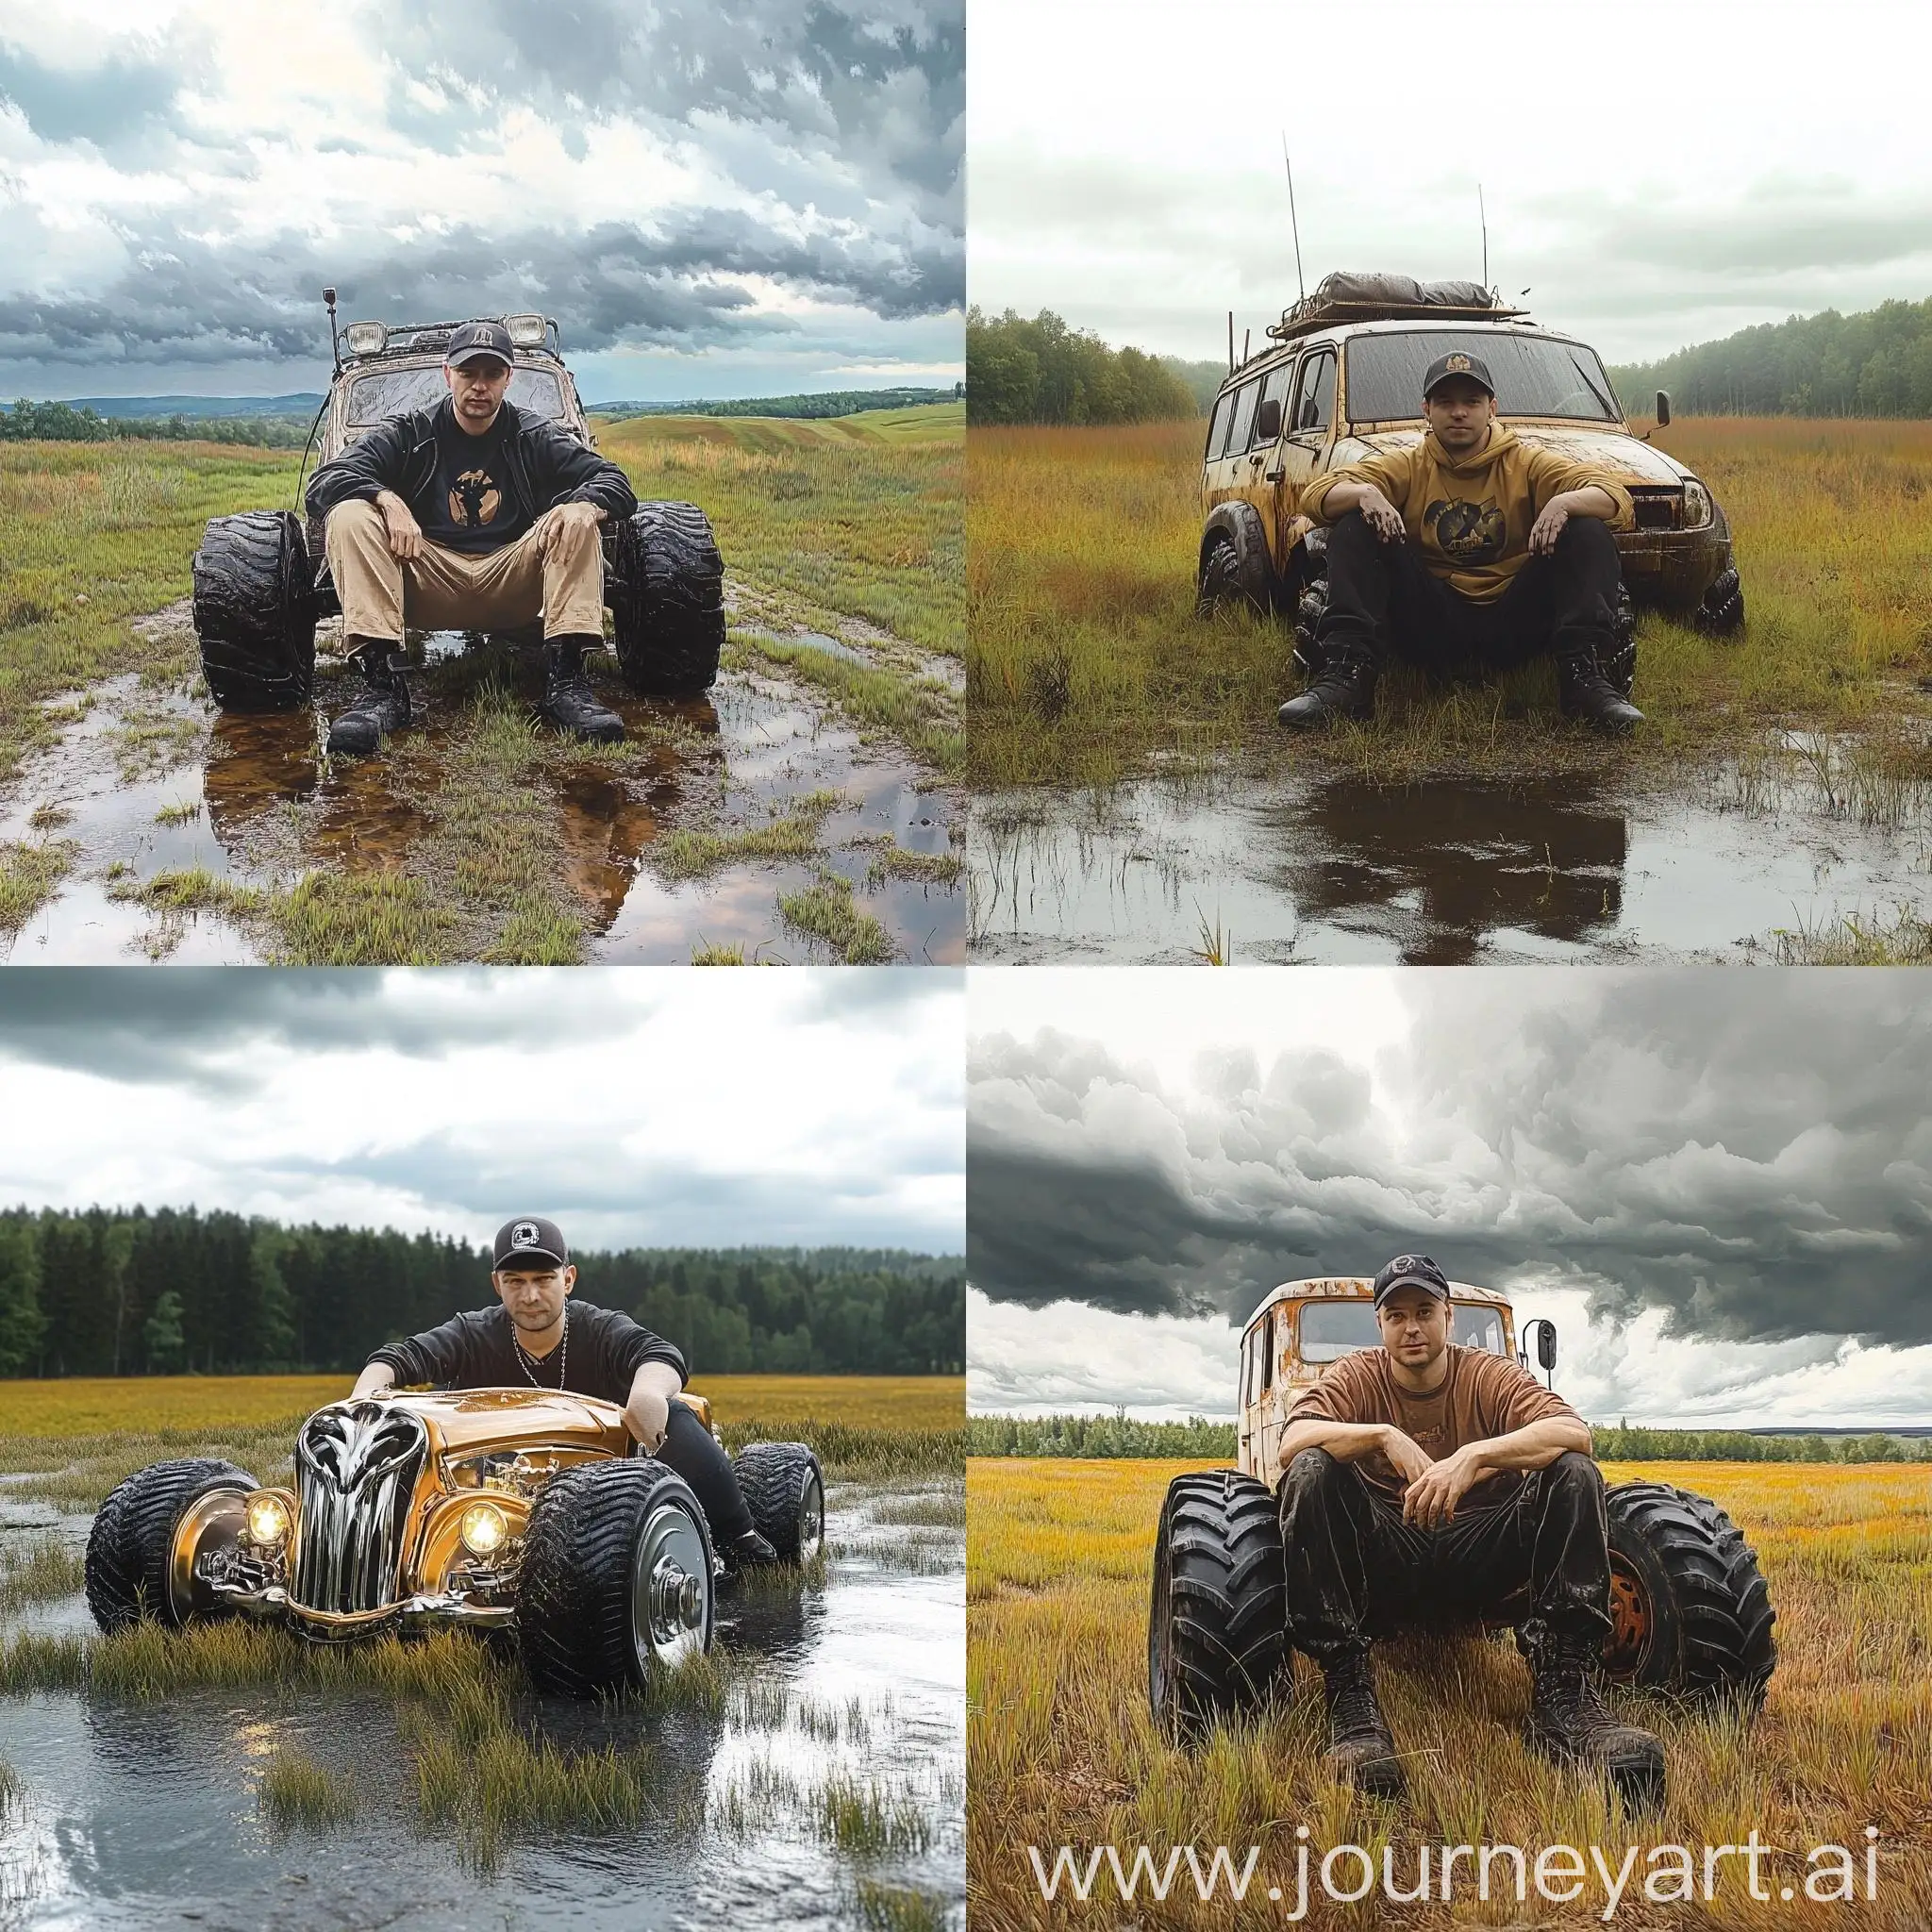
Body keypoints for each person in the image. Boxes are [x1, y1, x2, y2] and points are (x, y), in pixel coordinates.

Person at [1275, 1253, 1663, 1807]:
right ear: (1381, 1324)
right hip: (1388, 1548)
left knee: (1573, 1472)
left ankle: (1565, 1695)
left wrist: (1477, 1455)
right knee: (1311, 1469)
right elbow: (1294, 1441)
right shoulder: (1357, 1375)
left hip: (1481, 1543)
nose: (1412, 1327)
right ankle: (1348, 1692)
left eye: (1425, 1311)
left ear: (1448, 1317)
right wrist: (1382, 1435)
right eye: (1397, 1315)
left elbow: (1574, 1432)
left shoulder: (1486, 1372)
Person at [349, 1214, 777, 1572]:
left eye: (544, 1278)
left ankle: (738, 1535)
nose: (530, 1295)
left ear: (568, 1279)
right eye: (515, 1281)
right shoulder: (472, 1332)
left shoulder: (599, 1328)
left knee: (675, 1414)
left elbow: (658, 1353)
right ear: (496, 1284)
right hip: (492, 1490)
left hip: (604, 1486)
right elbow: (402, 1357)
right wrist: (364, 1396)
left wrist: (647, 1394)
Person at [305, 318, 639, 756]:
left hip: (512, 574)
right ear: (448, 375)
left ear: (508, 379)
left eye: (491, 374)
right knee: (350, 514)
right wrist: (385, 498)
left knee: (576, 520)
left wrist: (583, 506)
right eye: (468, 372)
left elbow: (613, 481)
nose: (478, 386)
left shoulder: (533, 434)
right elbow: (326, 481)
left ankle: (567, 685)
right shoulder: (411, 432)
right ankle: (383, 689)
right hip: (426, 573)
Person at [1282, 351, 1644, 734]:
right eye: (1445, 402)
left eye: (1471, 401)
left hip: (1515, 619)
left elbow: (1616, 498)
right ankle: (1347, 678)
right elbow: (1316, 495)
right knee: (1355, 524)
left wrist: (1564, 502)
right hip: (1431, 620)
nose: (1459, 413)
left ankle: (1584, 679)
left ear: (1492, 408)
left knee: (1587, 528)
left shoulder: (1527, 462)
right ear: (1426, 409)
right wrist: (1365, 494)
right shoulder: (1407, 464)